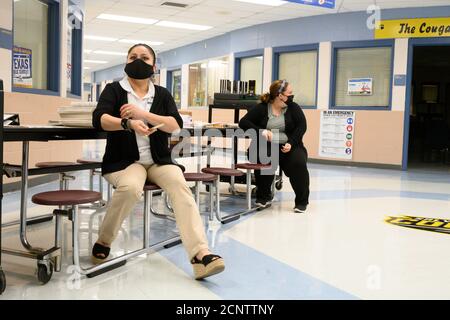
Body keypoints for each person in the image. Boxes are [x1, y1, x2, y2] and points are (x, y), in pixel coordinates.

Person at [92, 43, 225, 280]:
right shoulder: (114, 90)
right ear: (126, 62)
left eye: (144, 57)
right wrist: (127, 123)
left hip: (159, 162)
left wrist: (141, 114)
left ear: (154, 65)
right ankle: (105, 239)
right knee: (131, 188)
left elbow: (175, 125)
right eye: (133, 57)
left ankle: (200, 254)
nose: (138, 61)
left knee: (180, 186)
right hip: (125, 162)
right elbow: (99, 119)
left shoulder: (162, 94)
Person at [239, 79, 310, 213]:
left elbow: (302, 126)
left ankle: (301, 201)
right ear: (280, 95)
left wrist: (291, 143)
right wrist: (262, 131)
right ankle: (263, 197)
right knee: (265, 157)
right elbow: (243, 122)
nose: (292, 96)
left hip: (290, 146)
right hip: (267, 145)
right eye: (289, 93)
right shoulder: (262, 108)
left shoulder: (293, 107)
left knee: (298, 162)